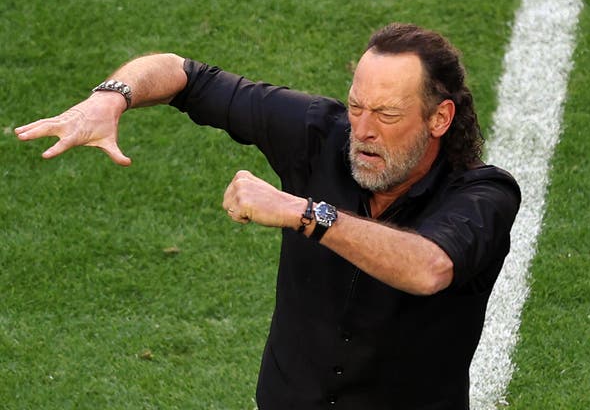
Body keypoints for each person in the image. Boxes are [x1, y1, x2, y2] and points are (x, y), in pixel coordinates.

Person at [15, 23, 520, 409]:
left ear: (440, 118)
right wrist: (112, 97)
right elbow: (184, 75)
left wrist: (305, 213)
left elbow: (428, 267)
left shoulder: (484, 196)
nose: (362, 130)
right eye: (357, 107)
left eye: (386, 115)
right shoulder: (319, 133)